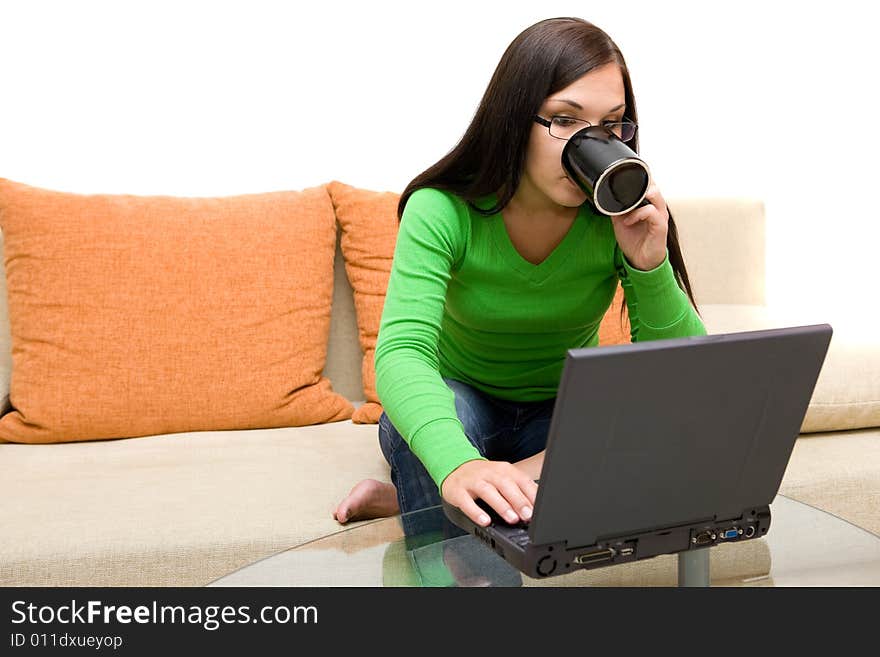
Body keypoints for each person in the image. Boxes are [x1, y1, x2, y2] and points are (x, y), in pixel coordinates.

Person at [333, 16, 707, 530]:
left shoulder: (616, 215)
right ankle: (463, 490)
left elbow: (683, 379)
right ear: (513, 118)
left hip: (563, 410)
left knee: (661, 428)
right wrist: (459, 463)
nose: (591, 144)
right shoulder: (443, 208)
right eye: (565, 120)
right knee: (438, 425)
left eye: (610, 125)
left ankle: (429, 497)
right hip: (463, 396)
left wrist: (649, 262)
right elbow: (403, 352)